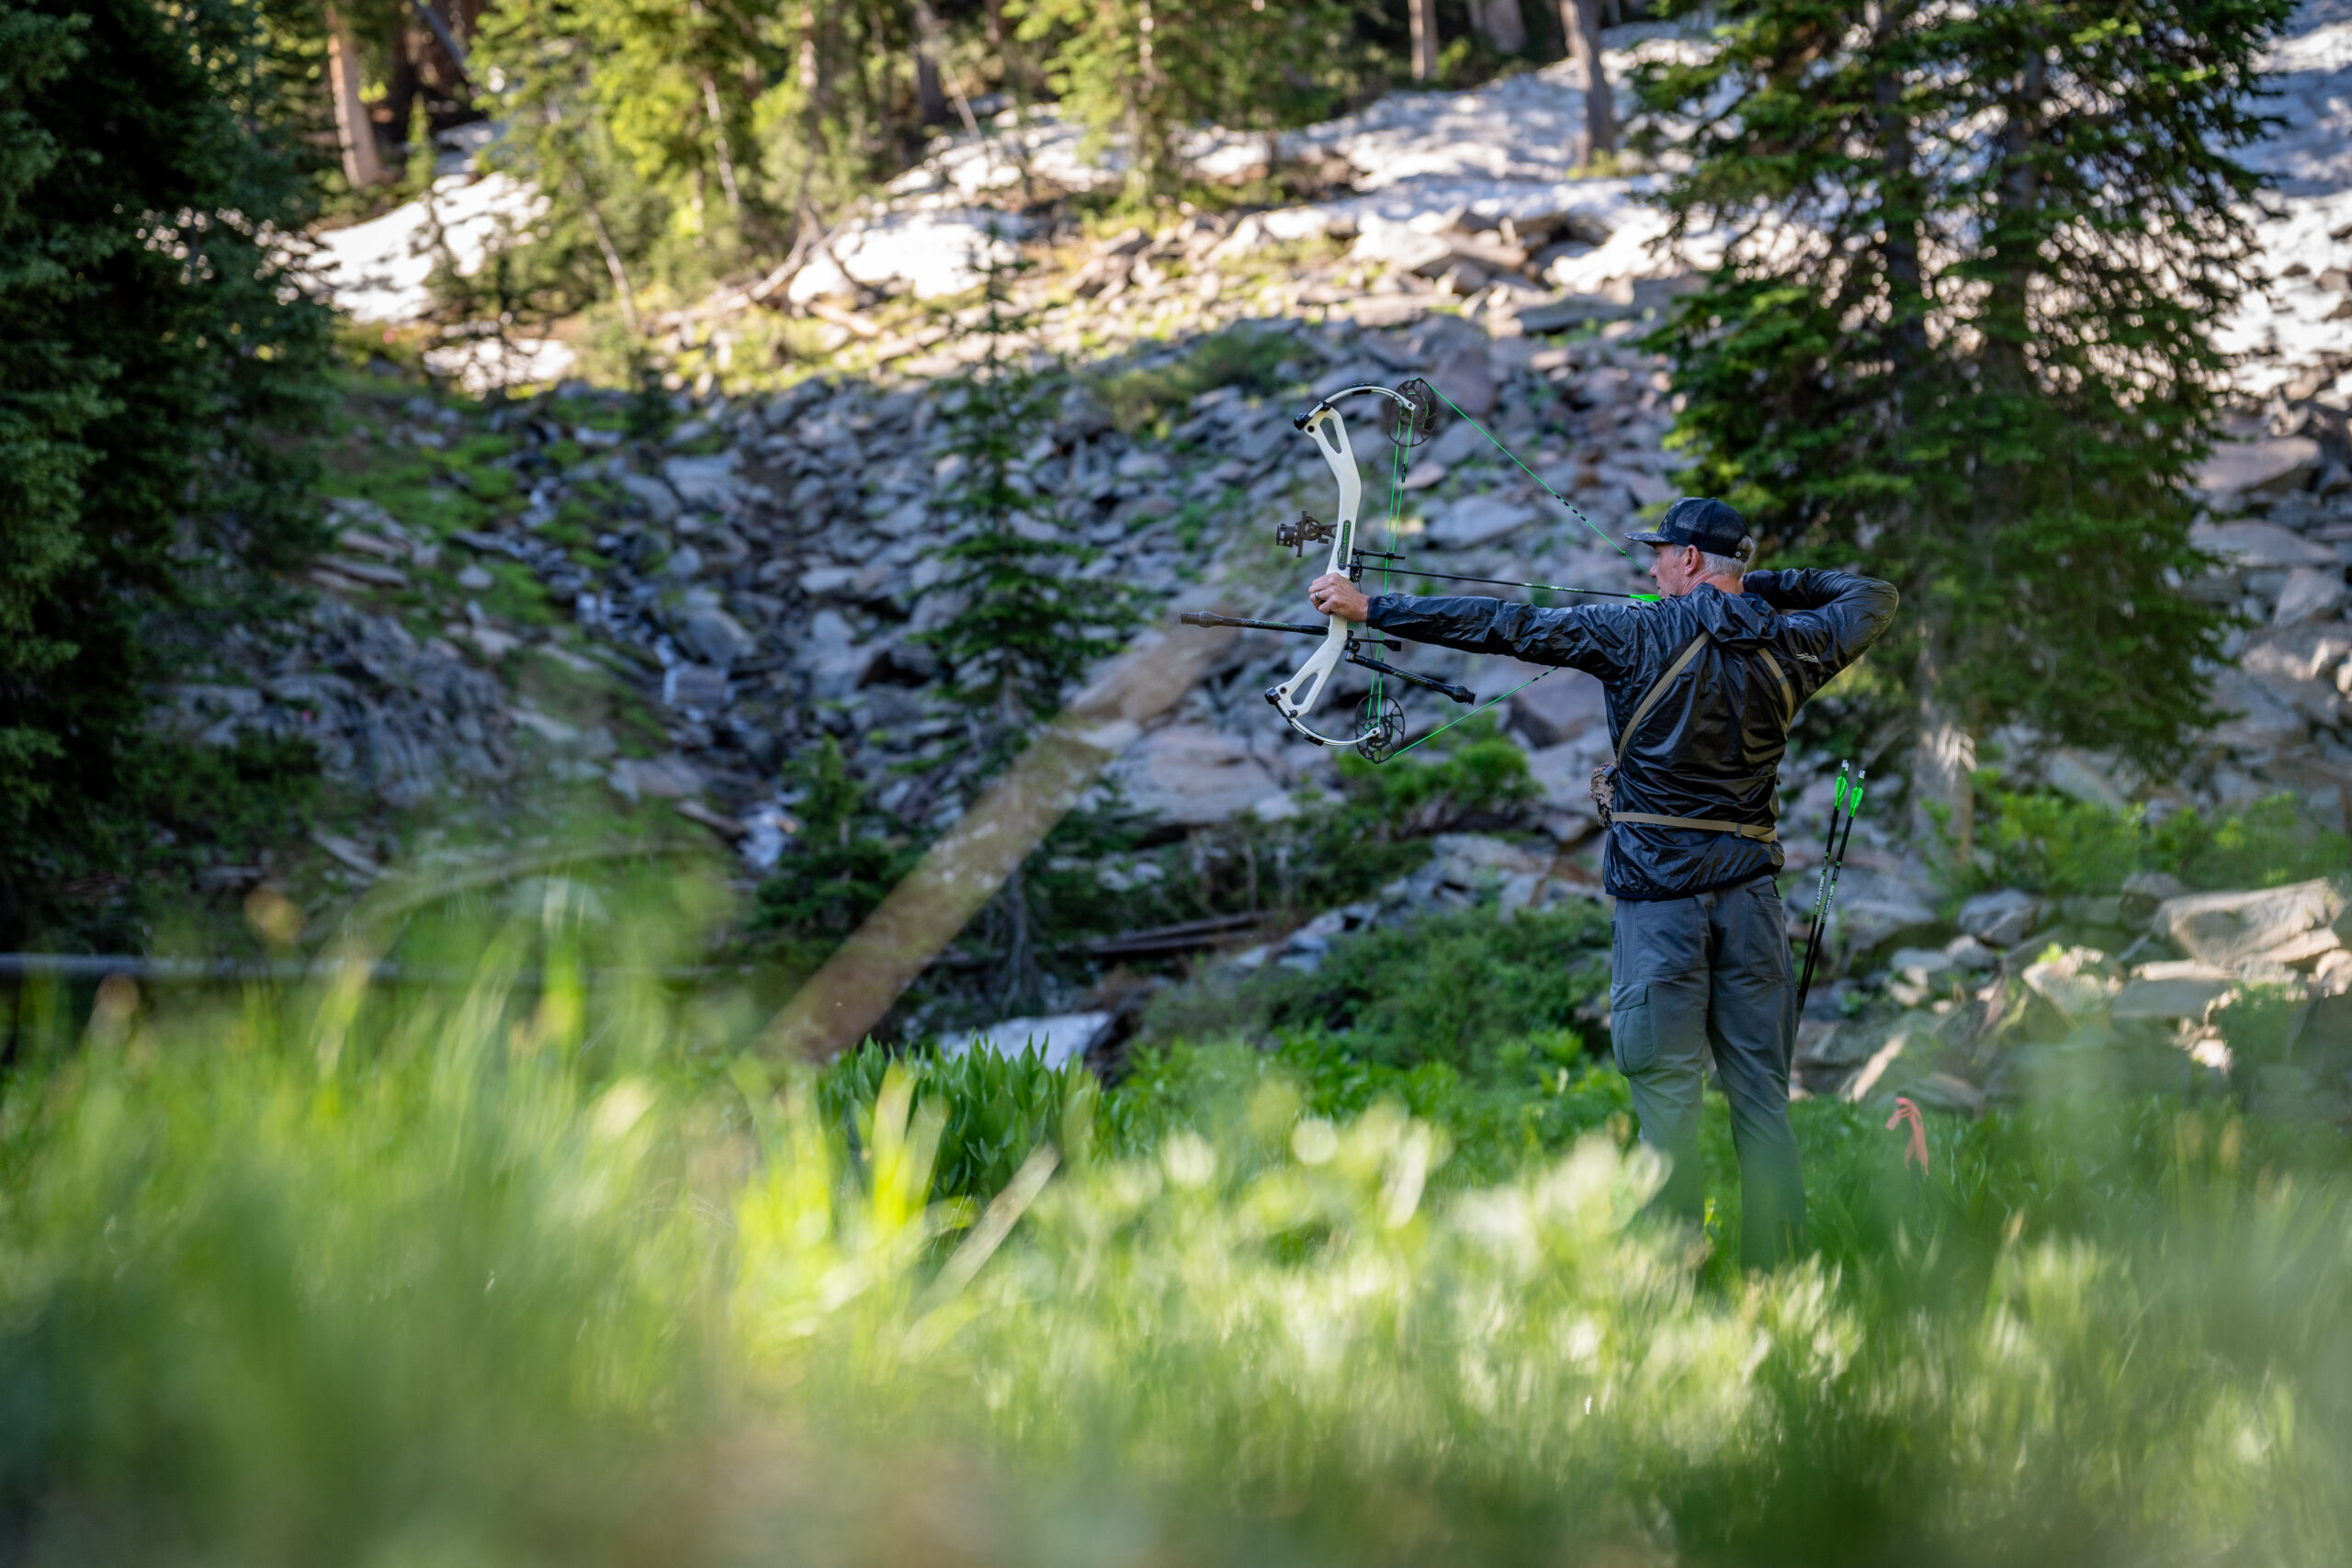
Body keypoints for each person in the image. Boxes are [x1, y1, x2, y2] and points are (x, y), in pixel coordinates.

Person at [1309, 496, 1897, 1268]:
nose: (1650, 565)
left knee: (1666, 1112)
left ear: (1688, 560)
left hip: (1662, 909)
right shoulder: (1798, 640)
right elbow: (1874, 595)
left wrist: (1371, 606)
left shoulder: (1636, 631)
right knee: (1763, 1105)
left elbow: (1506, 626)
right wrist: (1749, 586)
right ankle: (1783, 1283)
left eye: (1662, 553)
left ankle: (1666, 1291)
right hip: (1752, 905)